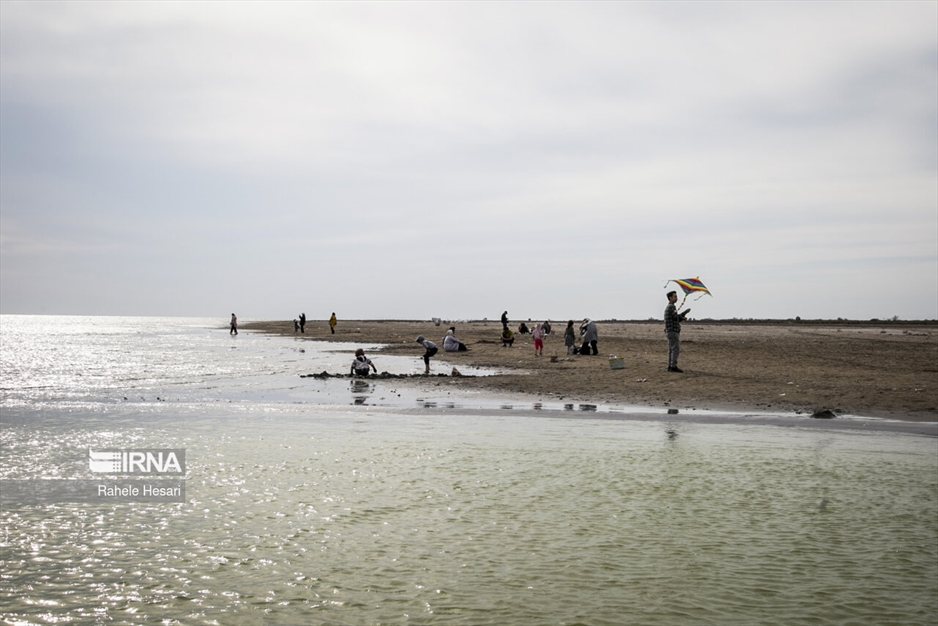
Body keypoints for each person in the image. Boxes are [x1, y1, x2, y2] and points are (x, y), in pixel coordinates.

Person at [664, 291, 690, 372]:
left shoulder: (670, 307)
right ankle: (673, 366)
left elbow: (675, 318)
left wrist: (684, 313)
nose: (676, 298)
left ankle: (670, 366)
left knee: (671, 349)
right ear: (670, 298)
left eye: (676, 296)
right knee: (675, 349)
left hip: (669, 331)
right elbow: (676, 318)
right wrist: (683, 317)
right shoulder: (671, 307)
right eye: (674, 296)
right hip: (672, 331)